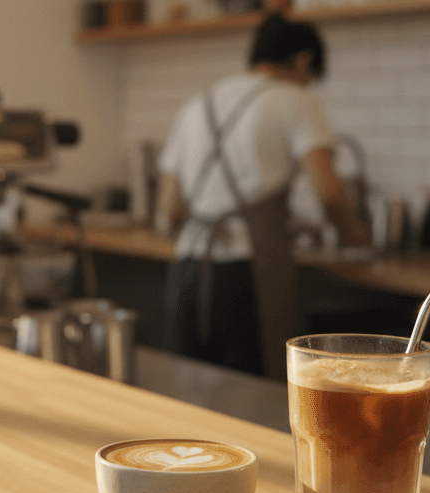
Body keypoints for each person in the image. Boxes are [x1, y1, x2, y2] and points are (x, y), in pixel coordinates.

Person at [156, 12, 368, 379]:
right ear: (303, 61)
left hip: (188, 269)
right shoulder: (295, 99)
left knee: (189, 389)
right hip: (247, 273)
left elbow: (169, 208)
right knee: (253, 396)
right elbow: (330, 193)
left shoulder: (198, 103)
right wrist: (353, 235)